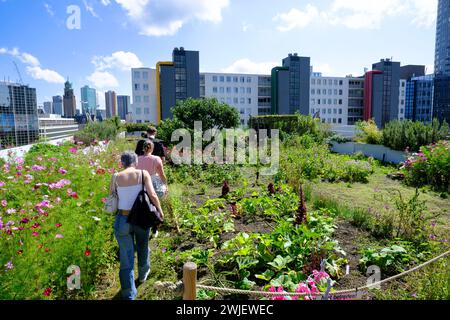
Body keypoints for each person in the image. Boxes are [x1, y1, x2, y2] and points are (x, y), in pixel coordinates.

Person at [110, 151, 164, 300]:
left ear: (122, 163)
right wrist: (160, 211)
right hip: (141, 218)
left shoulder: (115, 176)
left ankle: (128, 294)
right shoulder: (142, 173)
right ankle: (142, 274)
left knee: (126, 257)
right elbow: (152, 195)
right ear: (136, 161)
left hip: (122, 219)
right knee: (142, 245)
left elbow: (112, 197)